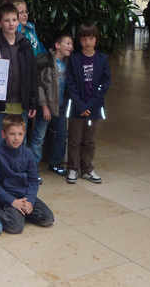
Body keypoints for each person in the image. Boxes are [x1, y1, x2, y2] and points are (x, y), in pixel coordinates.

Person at [0, 115, 54, 234]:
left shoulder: (28, 153)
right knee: (15, 227)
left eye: (20, 134)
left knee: (47, 218)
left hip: (24, 195)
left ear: (24, 134)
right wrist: (12, 201)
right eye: (12, 134)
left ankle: (21, 213)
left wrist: (30, 201)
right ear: (3, 134)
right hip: (7, 197)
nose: (16, 138)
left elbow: (33, 180)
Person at [0, 2, 38, 151]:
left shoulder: (25, 44)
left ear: (18, 21)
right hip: (0, 104)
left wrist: (33, 102)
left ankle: (18, 167)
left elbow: (32, 74)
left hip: (21, 103)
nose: (11, 24)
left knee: (20, 142)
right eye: (6, 20)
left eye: (14, 20)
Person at [66, 23, 111, 184]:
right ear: (79, 40)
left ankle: (87, 169)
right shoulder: (74, 59)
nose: (87, 42)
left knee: (89, 140)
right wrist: (81, 105)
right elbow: (70, 84)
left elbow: (105, 84)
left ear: (96, 39)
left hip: (94, 108)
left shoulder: (102, 59)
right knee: (74, 139)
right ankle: (73, 168)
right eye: (84, 39)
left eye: (91, 38)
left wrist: (89, 105)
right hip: (76, 108)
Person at [29, 33, 74, 182]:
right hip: (46, 107)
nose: (70, 47)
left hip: (61, 107)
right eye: (67, 43)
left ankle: (55, 163)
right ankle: (33, 169)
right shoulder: (44, 61)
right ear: (57, 45)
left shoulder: (69, 62)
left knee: (62, 136)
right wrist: (44, 106)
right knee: (39, 137)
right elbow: (39, 85)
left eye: (72, 44)